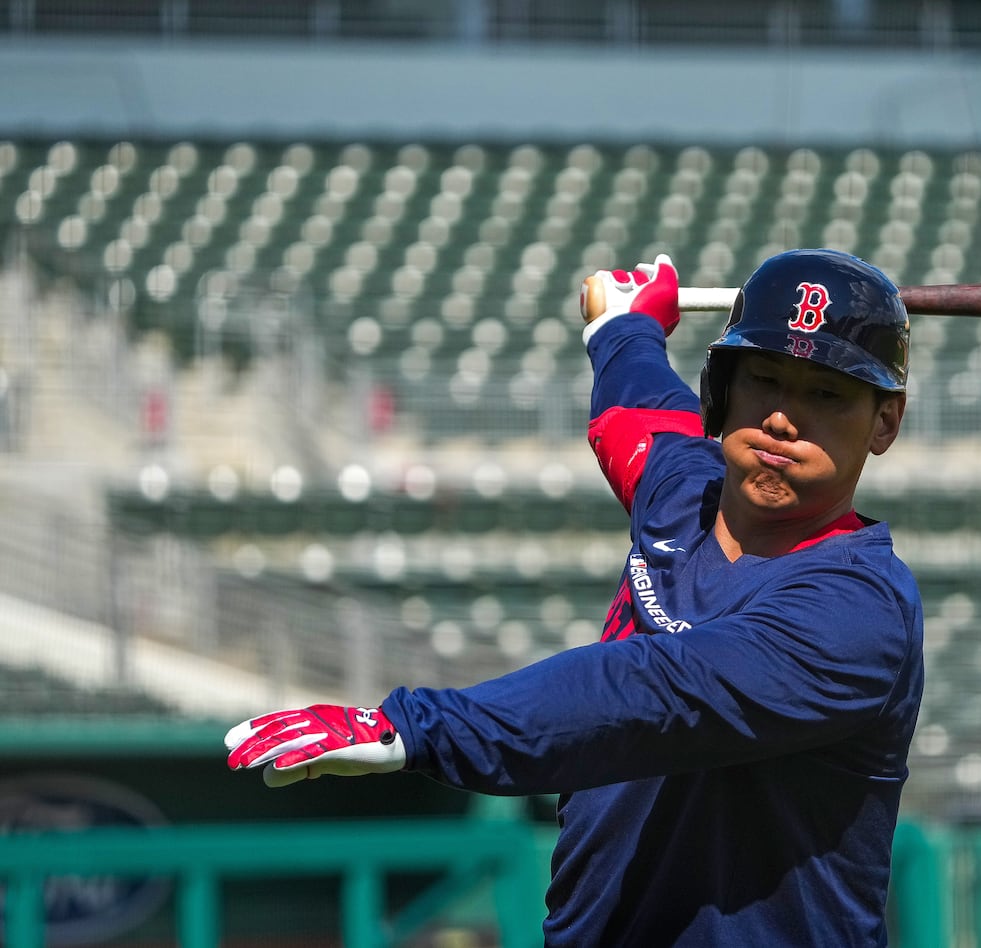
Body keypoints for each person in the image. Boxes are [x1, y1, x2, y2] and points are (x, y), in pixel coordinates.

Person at [226, 248, 926, 946]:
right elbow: (632, 404)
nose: (781, 419)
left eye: (826, 395)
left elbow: (652, 693)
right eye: (765, 380)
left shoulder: (857, 612)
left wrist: (421, 727)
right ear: (721, 392)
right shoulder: (683, 492)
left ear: (885, 422)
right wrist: (623, 327)